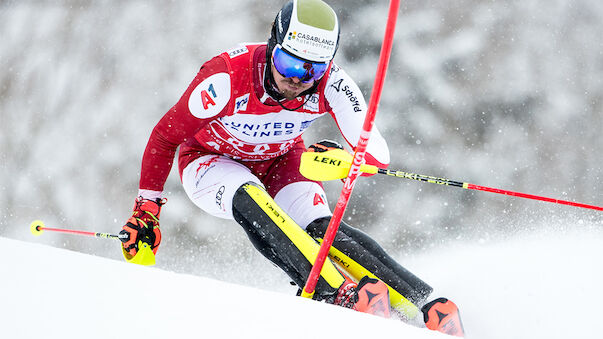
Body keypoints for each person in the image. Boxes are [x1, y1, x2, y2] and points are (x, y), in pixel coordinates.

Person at [119, 0, 463, 335]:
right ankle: (335, 294)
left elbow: (376, 154)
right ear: (273, 46)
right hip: (210, 161)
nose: (298, 78)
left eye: (311, 69)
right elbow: (165, 137)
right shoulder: (225, 78)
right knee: (251, 197)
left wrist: (346, 159)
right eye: (288, 63)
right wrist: (147, 208)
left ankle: (424, 303)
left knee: (318, 227)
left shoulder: (332, 82)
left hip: (281, 160)